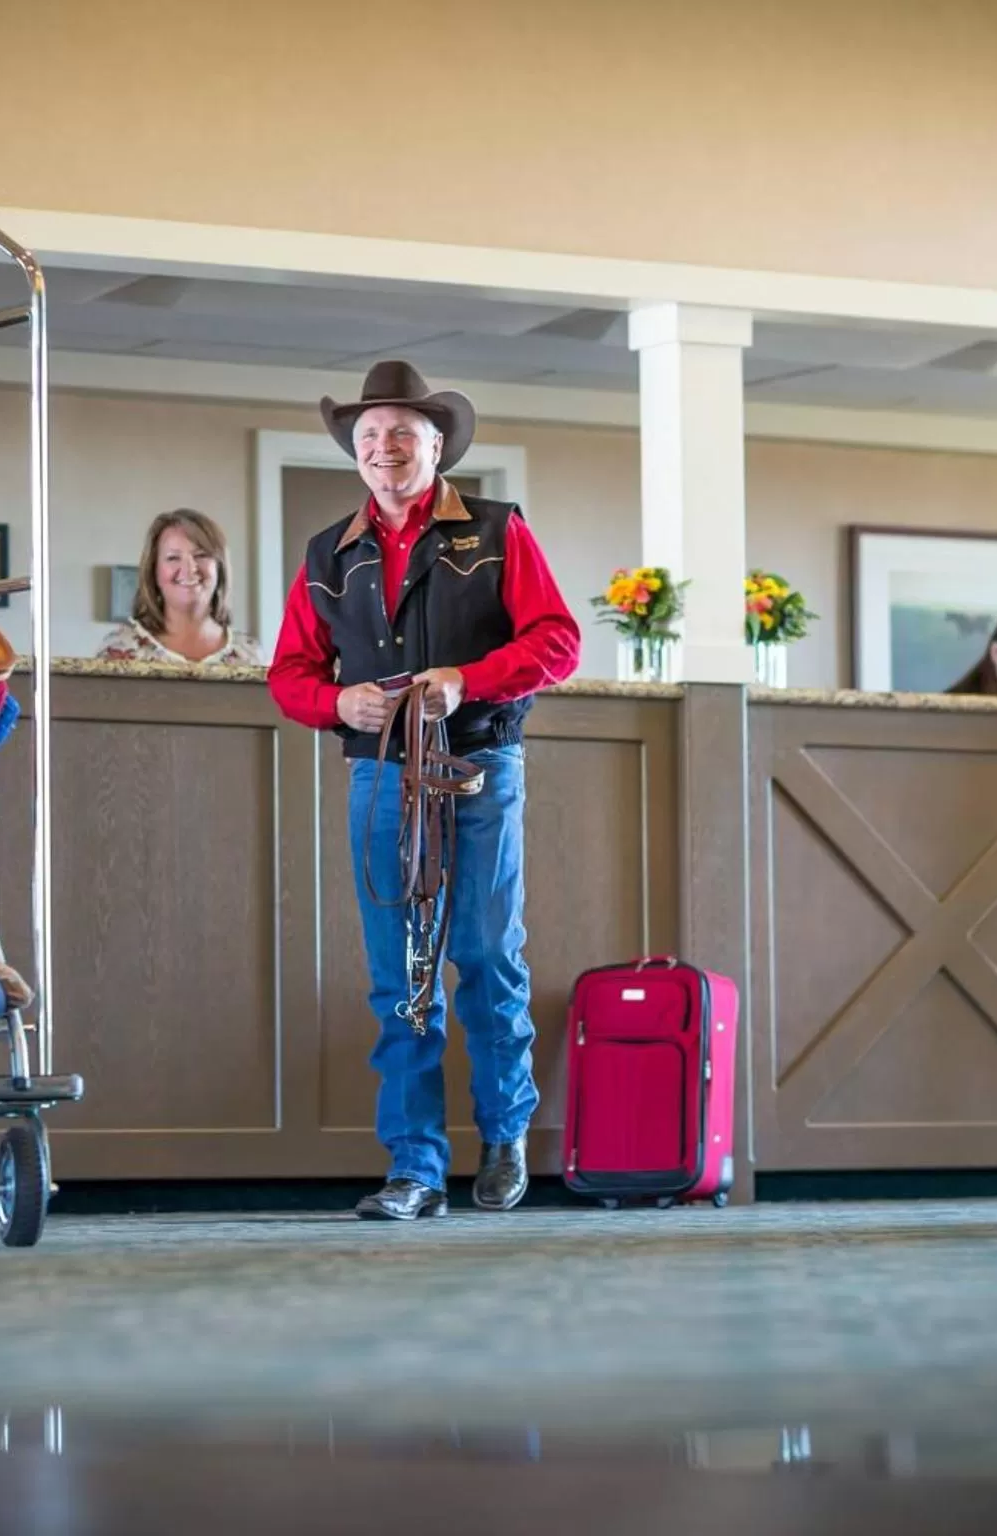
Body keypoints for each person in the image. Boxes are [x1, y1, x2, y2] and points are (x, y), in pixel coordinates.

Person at [267, 360, 581, 1221]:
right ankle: (414, 1165)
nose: (385, 448)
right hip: (378, 771)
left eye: (403, 433)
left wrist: (468, 681)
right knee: (398, 973)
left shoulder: (496, 529)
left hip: (479, 762)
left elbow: (558, 641)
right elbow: (288, 673)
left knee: (484, 955)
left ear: (437, 445)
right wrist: (338, 700)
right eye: (370, 437)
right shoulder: (328, 553)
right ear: (355, 454)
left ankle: (505, 1130)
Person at [96, 508, 264, 665]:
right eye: (173, 557)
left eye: (201, 555)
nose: (190, 568)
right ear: (153, 570)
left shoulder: (250, 654)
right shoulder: (119, 649)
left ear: (220, 567)